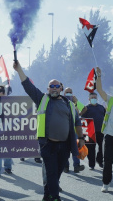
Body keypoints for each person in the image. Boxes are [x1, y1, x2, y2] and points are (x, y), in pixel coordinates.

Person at [14, 61, 84, 201]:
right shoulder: (42, 99)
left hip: (64, 146)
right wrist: (19, 69)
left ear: (61, 88)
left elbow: (77, 121)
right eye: (51, 86)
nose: (54, 88)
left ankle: (47, 196)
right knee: (51, 174)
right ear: (48, 89)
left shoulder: (69, 104)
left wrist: (81, 138)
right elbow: (29, 87)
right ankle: (56, 197)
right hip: (48, 145)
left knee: (56, 174)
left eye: (56, 86)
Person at [80, 92, 106, 170]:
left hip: (100, 130)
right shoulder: (86, 108)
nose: (93, 99)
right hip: (90, 131)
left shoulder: (101, 107)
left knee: (101, 147)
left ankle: (100, 160)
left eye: (95, 97)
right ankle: (92, 164)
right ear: (89, 99)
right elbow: (83, 120)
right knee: (91, 148)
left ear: (97, 98)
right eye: (92, 98)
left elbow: (105, 118)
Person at [63, 87, 85, 173]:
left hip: (74, 129)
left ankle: (76, 166)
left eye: (70, 92)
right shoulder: (61, 101)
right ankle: (65, 166)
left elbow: (84, 109)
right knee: (65, 149)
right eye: (67, 92)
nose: (69, 94)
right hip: (64, 129)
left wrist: (78, 114)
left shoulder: (75, 102)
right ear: (64, 94)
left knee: (75, 148)